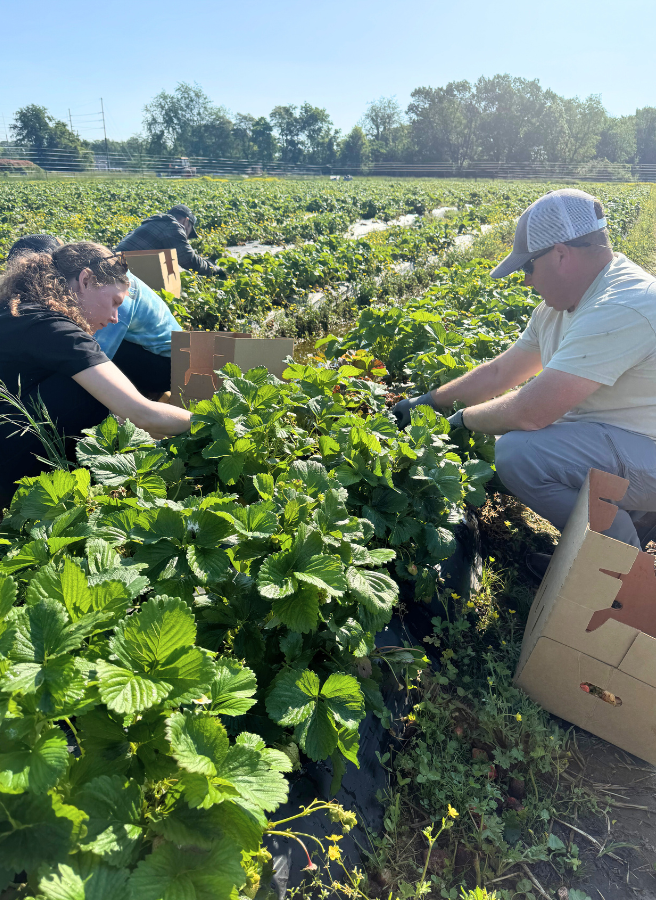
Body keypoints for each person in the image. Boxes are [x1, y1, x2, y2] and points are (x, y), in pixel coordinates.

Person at [393, 188, 656, 572]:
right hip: (629, 438)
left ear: (561, 254)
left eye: (528, 268)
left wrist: (463, 420)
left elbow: (531, 412)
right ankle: (624, 524)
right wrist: (431, 401)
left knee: (522, 453)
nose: (527, 281)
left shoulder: (623, 304)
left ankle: (616, 573)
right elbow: (503, 371)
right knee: (521, 435)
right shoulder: (563, 306)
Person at [0, 242, 191, 507]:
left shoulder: (18, 310)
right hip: (7, 469)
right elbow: (143, 415)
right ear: (85, 280)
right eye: (114, 303)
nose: (115, 317)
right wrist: (210, 421)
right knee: (93, 393)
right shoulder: (58, 332)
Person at [7, 234, 183, 399]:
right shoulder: (93, 279)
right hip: (142, 352)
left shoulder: (112, 290)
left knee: (86, 358)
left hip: (167, 366)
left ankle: (139, 399)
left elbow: (92, 355)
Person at [115, 204, 226, 278]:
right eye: (190, 232)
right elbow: (189, 261)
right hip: (125, 273)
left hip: (115, 268)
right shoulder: (173, 226)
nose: (187, 237)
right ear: (186, 221)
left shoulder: (153, 223)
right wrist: (215, 270)